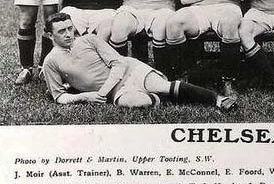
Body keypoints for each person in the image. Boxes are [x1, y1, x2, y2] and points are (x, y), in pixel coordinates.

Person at [42, 12, 236, 110]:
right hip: (117, 92)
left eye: (70, 28)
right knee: (137, 102)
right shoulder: (51, 62)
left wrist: (101, 92)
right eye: (61, 31)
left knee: (162, 85)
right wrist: (85, 96)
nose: (69, 34)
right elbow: (59, 97)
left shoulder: (88, 40)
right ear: (50, 35)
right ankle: (164, 95)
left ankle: (217, 99)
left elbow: (118, 62)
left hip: (130, 70)